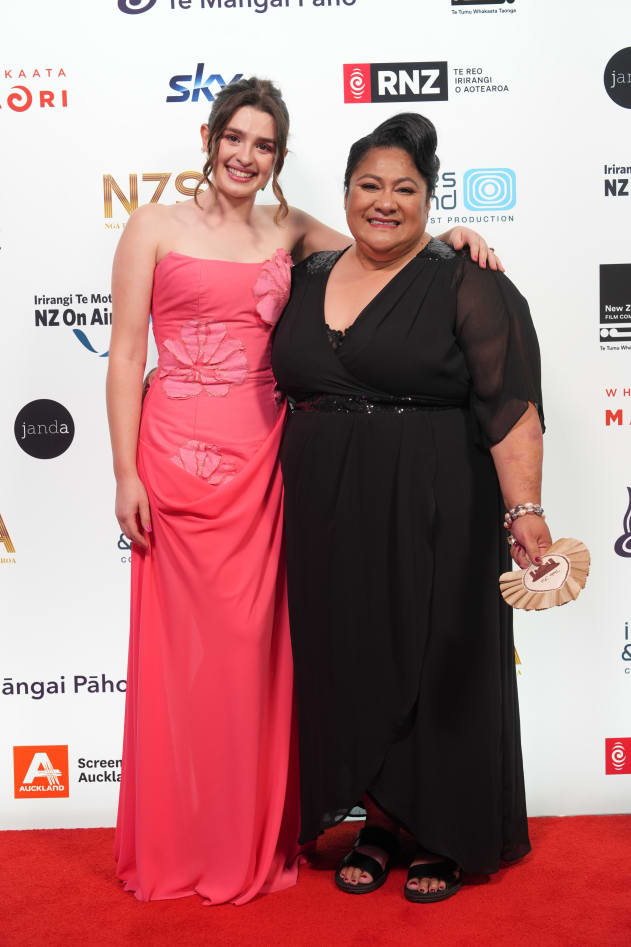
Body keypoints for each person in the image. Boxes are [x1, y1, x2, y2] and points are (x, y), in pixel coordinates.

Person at [107, 76, 501, 905]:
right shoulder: (150, 226)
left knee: (258, 659)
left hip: (266, 458)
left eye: (264, 145)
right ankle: (183, 834)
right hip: (173, 457)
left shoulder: (289, 229)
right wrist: (124, 471)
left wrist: (459, 236)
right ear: (209, 139)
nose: (246, 156)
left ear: (278, 160)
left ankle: (254, 831)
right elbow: (124, 355)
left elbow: (386, 243)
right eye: (235, 138)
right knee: (181, 661)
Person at [272, 112, 549, 903]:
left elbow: (508, 405)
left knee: (439, 655)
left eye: (404, 189)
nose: (383, 202)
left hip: (439, 499)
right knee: (351, 654)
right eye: (368, 185)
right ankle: (382, 817)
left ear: (430, 199)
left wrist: (523, 509)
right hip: (324, 506)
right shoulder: (310, 269)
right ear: (346, 191)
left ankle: (445, 828)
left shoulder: (466, 279)